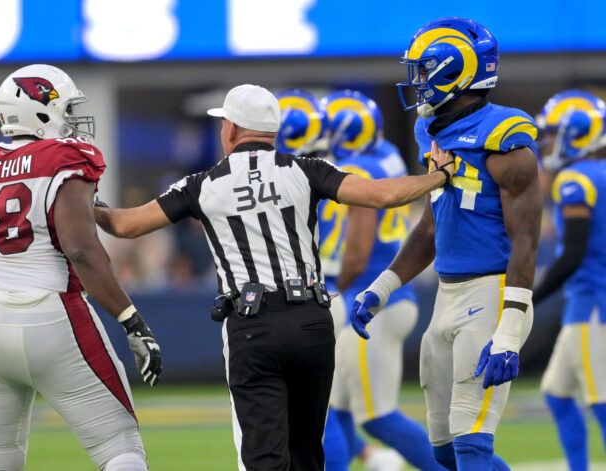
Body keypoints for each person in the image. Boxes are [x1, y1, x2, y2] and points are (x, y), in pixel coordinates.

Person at [94, 83, 456, 470]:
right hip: (312, 322)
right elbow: (383, 194)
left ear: (230, 130)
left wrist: (81, 201)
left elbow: (125, 225)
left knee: (264, 457)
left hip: (253, 325)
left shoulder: (202, 185)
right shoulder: (306, 169)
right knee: (306, 453)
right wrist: (437, 177)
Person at [0, 64, 162, 471]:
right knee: (119, 445)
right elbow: (81, 250)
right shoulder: (64, 157)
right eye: (66, 107)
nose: (74, 119)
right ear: (38, 110)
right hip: (46, 310)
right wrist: (131, 321)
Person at [351, 17, 542, 470]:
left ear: (455, 72)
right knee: (444, 453)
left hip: (493, 291)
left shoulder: (506, 141)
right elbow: (432, 228)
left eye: (423, 71)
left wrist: (510, 333)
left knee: (472, 443)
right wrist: (381, 288)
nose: (416, 82)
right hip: (448, 294)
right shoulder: (431, 133)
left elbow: (526, 241)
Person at [276, 89, 406, 471]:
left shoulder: (300, 174)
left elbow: (355, 247)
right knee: (328, 403)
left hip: (321, 289)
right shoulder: (375, 160)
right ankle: (366, 455)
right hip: (334, 288)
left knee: (317, 407)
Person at [317, 90, 444, 471]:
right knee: (333, 410)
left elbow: (356, 249)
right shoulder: (384, 153)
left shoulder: (358, 169)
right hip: (388, 292)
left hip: (370, 297)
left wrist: (335, 289)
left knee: (376, 416)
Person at [533, 90, 606, 471]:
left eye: (554, 132)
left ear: (576, 133)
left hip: (592, 301)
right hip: (591, 297)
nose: (546, 141)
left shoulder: (576, 178)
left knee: (601, 399)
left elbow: (573, 254)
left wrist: (529, 297)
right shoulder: (598, 172)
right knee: (558, 394)